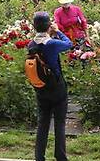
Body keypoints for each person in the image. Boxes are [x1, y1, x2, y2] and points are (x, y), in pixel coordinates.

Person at [28, 11, 72, 161]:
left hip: (40, 88)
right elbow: (69, 44)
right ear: (48, 26)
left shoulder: (31, 44)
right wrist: (58, 31)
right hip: (57, 88)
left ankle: (39, 157)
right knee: (59, 123)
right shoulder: (52, 43)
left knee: (43, 123)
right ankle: (60, 157)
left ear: (34, 27)